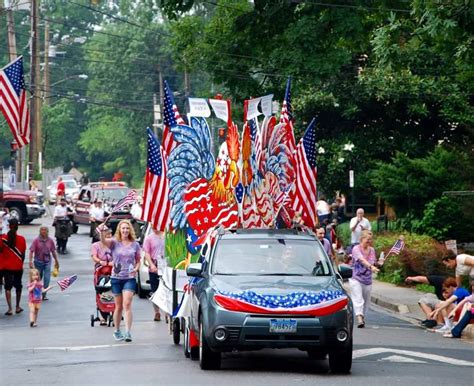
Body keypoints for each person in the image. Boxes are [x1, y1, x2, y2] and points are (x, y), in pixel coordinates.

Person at [108, 220, 141, 342]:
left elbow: (138, 260)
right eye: (123, 228)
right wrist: (101, 232)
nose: (125, 230)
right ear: (119, 230)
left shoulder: (135, 244)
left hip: (129, 277)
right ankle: (117, 330)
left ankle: (128, 332)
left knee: (127, 304)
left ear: (130, 230)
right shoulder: (114, 243)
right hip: (116, 278)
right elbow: (103, 241)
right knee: (118, 307)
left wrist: (136, 269)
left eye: (127, 228)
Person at [349, 231, 379, 328]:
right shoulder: (356, 249)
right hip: (356, 278)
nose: (369, 241)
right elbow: (362, 260)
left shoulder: (372, 250)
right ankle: (359, 318)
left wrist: (378, 264)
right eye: (367, 239)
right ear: (362, 239)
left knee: (366, 301)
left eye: (371, 239)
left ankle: (362, 316)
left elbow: (372, 262)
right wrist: (371, 267)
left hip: (367, 279)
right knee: (358, 298)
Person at [0, 219, 27, 315]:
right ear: (17, 227)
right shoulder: (22, 239)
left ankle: (10, 308)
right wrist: (20, 263)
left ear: (9, 226)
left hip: (6, 267)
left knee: (8, 287)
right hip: (18, 267)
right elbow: (23, 254)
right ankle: (18, 306)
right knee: (18, 286)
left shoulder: (3, 238)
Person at [29, 226, 59, 301]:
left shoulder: (50, 240)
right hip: (38, 261)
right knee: (38, 278)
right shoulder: (36, 240)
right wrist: (30, 261)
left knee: (47, 278)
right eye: (42, 230)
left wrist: (56, 260)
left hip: (47, 261)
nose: (43, 231)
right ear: (40, 231)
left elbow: (53, 251)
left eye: (45, 230)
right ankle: (37, 294)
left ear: (47, 231)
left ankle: (44, 294)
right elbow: (31, 251)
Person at [143, 228, 166, 321]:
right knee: (155, 290)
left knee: (166, 289)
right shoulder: (149, 238)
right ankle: (157, 312)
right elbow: (147, 253)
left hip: (165, 266)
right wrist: (151, 265)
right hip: (155, 266)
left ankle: (167, 312)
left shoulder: (167, 235)